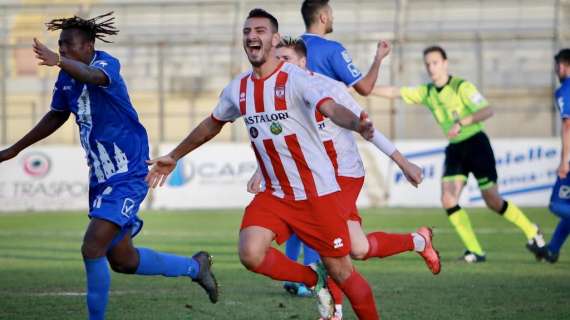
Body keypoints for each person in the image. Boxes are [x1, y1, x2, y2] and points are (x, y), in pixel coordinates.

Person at [146, 9, 382, 320]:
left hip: (317, 194)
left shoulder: (297, 78)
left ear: (274, 39)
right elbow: (212, 124)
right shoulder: (238, 88)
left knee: (345, 274)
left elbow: (331, 108)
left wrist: (356, 124)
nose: (251, 36)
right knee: (250, 252)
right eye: (246, 31)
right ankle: (314, 279)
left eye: (259, 30)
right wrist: (174, 155)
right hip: (277, 193)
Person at [0, 12, 218, 320]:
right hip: (101, 177)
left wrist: (58, 61)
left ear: (88, 46)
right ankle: (196, 267)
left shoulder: (106, 64)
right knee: (123, 260)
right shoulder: (66, 76)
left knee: (92, 246)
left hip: (128, 171)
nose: (62, 50)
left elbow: (94, 78)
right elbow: (57, 115)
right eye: (60, 45)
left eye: (68, 45)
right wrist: (14, 149)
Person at [247, 37, 441, 320]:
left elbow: (367, 128)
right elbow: (280, 140)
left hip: (344, 174)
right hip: (317, 176)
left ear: (302, 62)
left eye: (285, 58)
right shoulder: (282, 93)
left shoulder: (330, 88)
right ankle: (418, 241)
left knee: (328, 243)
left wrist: (403, 162)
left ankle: (333, 312)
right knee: (359, 249)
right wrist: (260, 172)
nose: (279, 64)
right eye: (277, 59)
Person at [373, 45, 546, 263]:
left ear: (445, 63)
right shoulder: (427, 92)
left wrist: (461, 122)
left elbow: (487, 110)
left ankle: (531, 230)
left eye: (435, 63)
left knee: (492, 200)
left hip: (476, 145)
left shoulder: (460, 86)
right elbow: (394, 92)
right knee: (447, 198)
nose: (431, 67)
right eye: (427, 64)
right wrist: (361, 87)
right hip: (455, 148)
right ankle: (475, 251)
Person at [300, 0, 388, 96]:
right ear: (323, 18)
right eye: (331, 14)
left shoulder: (290, 47)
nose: (333, 18)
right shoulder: (333, 49)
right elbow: (365, 88)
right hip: (325, 110)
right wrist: (378, 58)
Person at [534, 48, 570, 263]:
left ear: (564, 66)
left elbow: (568, 125)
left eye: (558, 65)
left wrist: (564, 161)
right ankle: (553, 250)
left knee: (557, 204)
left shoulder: (565, 89)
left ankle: (553, 249)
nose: (556, 69)